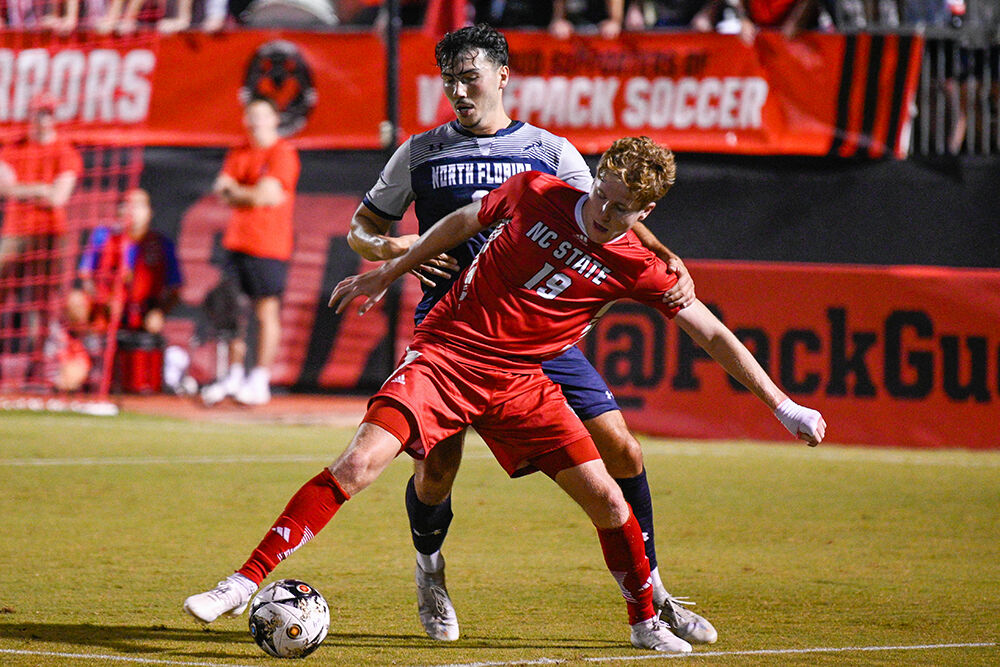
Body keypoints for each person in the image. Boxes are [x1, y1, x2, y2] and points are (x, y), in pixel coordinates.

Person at [182, 136, 826, 654]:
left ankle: (644, 618)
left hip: (524, 383)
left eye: (623, 207)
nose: (604, 211)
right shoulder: (539, 191)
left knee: (607, 494)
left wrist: (783, 405)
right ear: (594, 178)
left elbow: (711, 333)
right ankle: (239, 584)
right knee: (359, 464)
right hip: (447, 355)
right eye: (603, 194)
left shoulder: (641, 264)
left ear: (646, 214)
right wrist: (391, 269)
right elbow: (463, 220)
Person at [347, 24, 711, 646]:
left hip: (541, 330)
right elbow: (361, 228)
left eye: (471, 77)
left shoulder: (547, 150)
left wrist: (668, 256)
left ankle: (653, 589)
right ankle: (430, 572)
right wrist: (389, 245)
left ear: (503, 75)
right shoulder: (419, 152)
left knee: (622, 448)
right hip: (455, 325)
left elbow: (609, 211)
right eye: (450, 80)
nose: (460, 90)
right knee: (436, 474)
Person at [200, 96, 300, 407]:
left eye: (262, 114)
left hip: (269, 245)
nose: (256, 121)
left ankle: (260, 378)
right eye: (251, 115)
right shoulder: (239, 150)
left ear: (274, 119)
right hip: (236, 243)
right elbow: (222, 188)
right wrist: (248, 194)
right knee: (232, 312)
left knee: (265, 312)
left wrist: (240, 193)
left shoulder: (283, 153)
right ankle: (233, 375)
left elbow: (267, 196)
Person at [0, 93, 82, 382]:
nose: (43, 118)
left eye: (48, 113)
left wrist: (24, 189)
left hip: (50, 234)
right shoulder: (14, 148)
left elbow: (59, 196)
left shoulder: (66, 151)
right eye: (39, 112)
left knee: (44, 304)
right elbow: (4, 187)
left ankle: (36, 371)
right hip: (15, 232)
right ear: (30, 114)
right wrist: (41, 190)